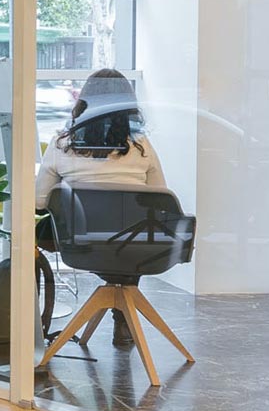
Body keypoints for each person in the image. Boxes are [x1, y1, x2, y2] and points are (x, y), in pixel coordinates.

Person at [34, 68, 168, 346]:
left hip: (77, 242)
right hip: (132, 243)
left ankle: (32, 319)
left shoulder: (62, 143)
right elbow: (161, 197)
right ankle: (123, 318)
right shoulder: (141, 146)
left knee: (38, 233)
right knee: (133, 227)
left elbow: (39, 202)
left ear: (83, 103)